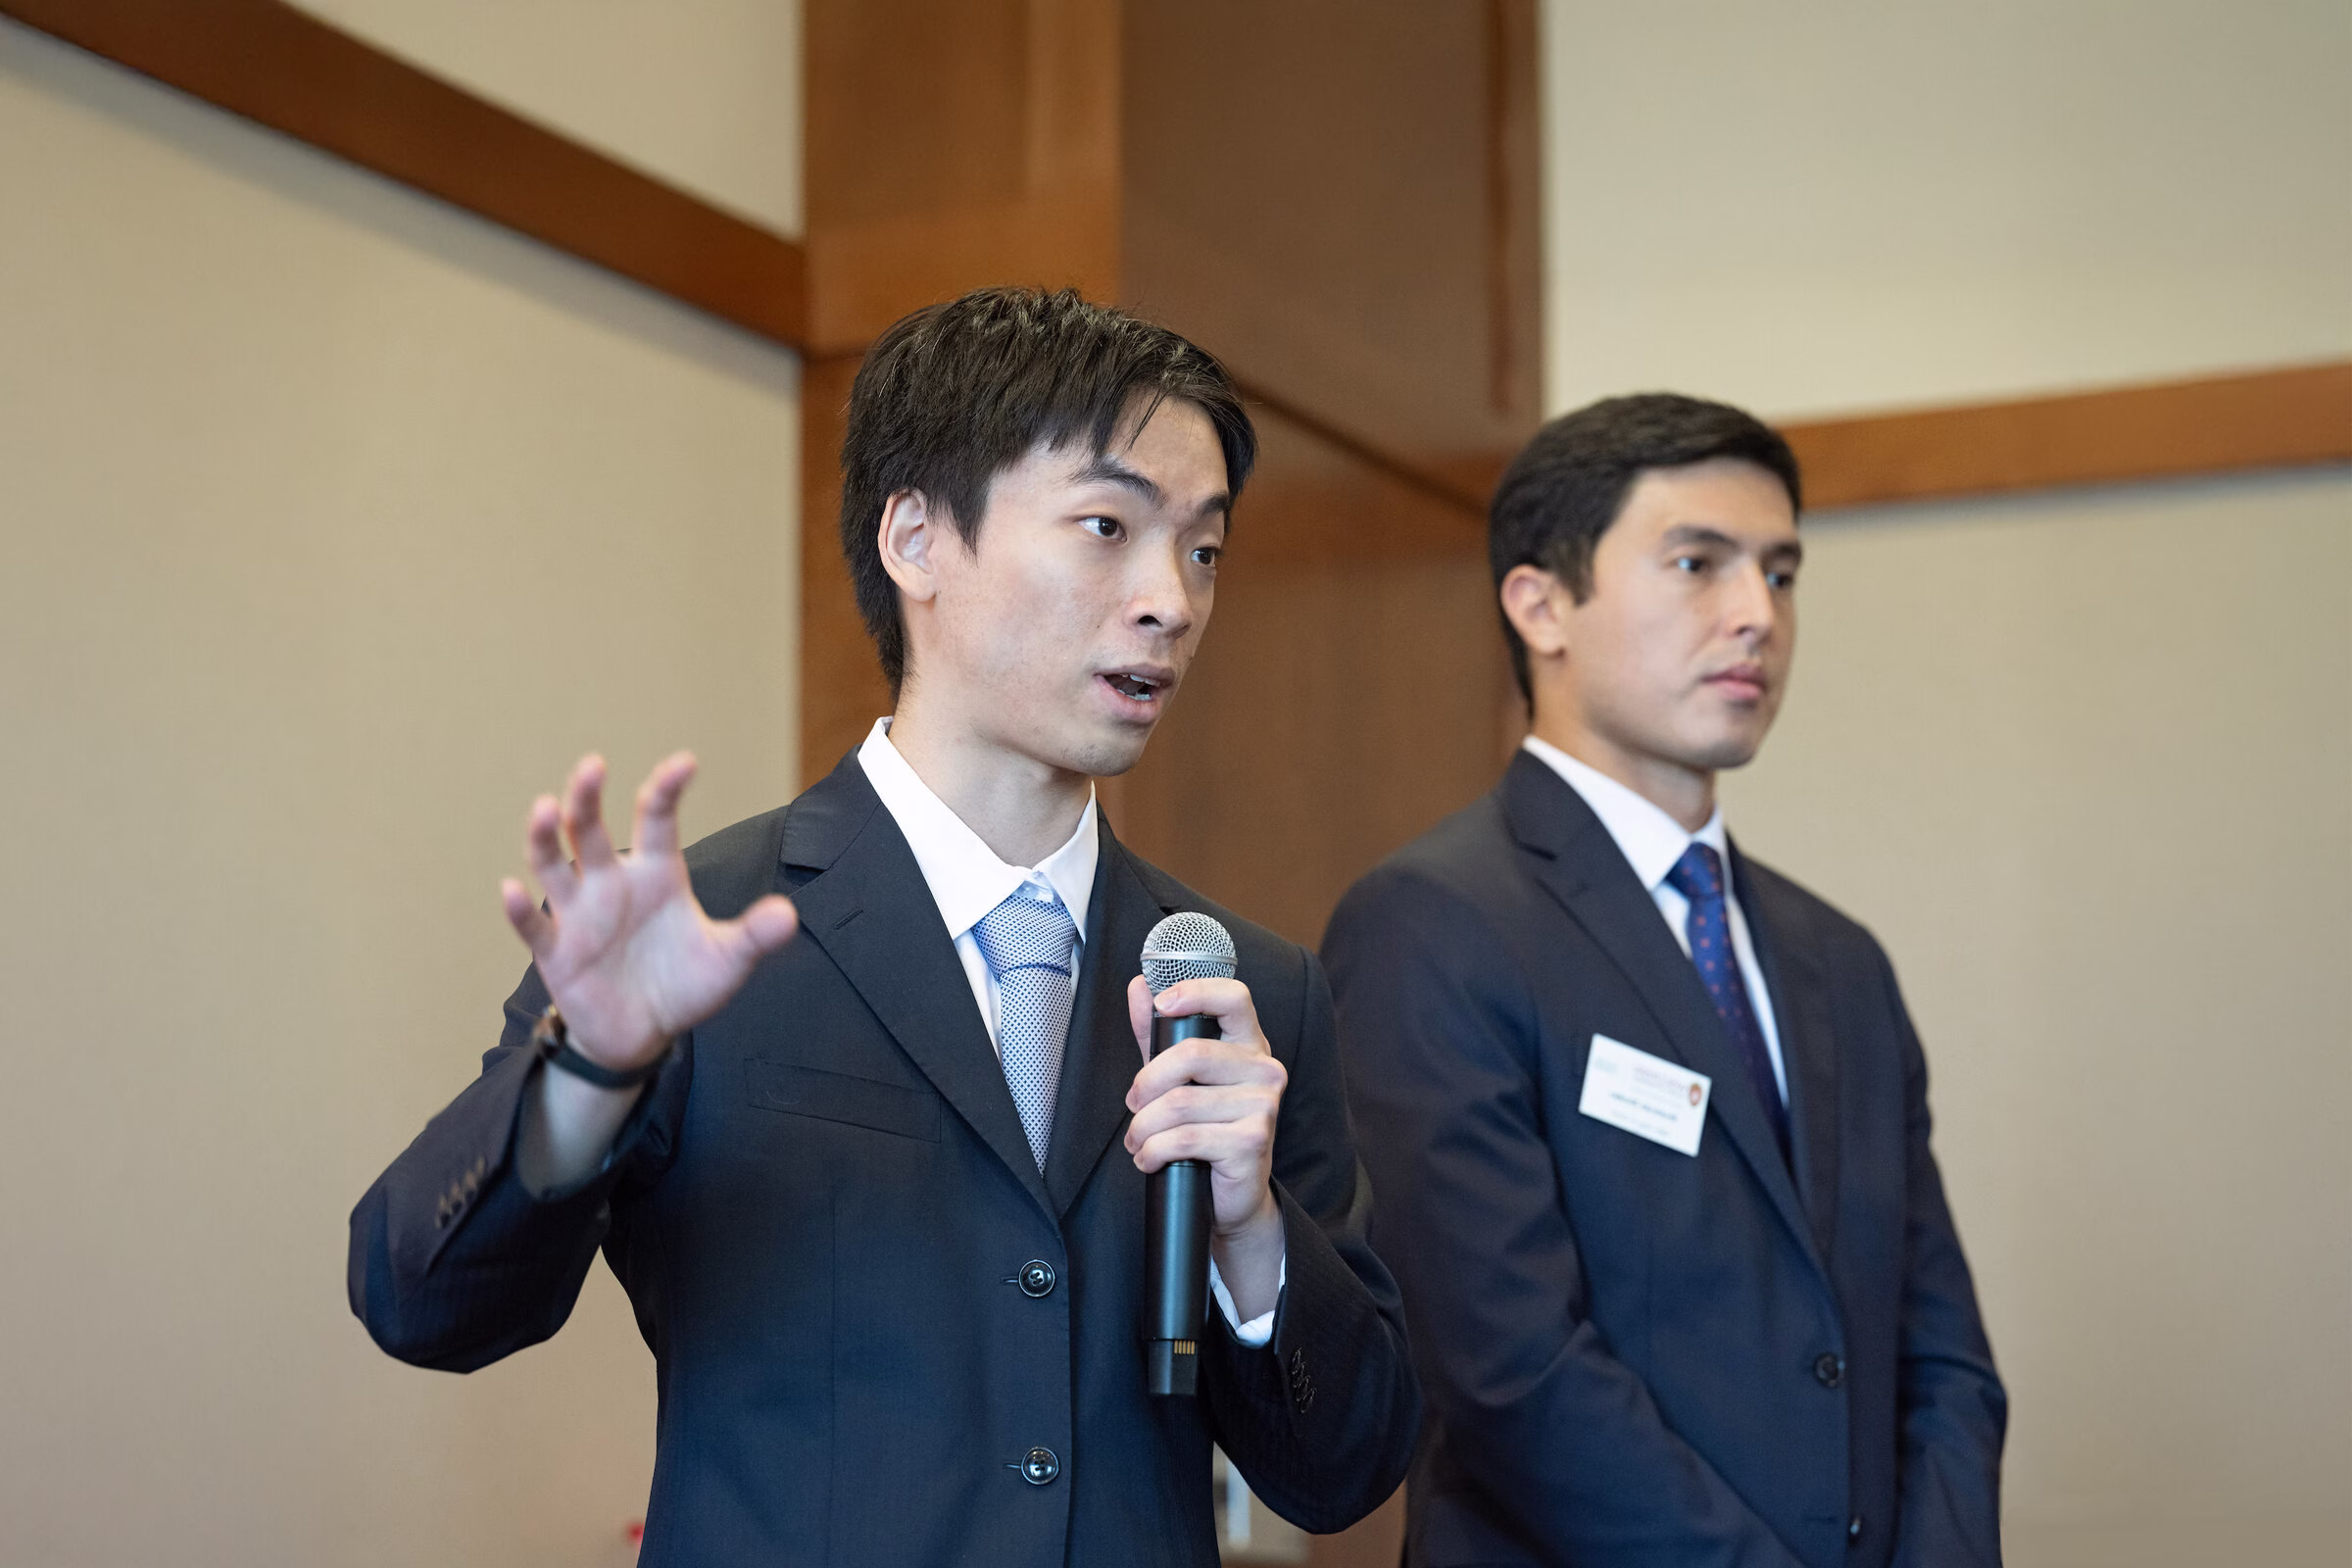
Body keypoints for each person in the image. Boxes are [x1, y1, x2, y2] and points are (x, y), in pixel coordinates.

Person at [349, 287, 1419, 1565]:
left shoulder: (1243, 992)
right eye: (1106, 525)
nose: (1170, 601)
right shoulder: (696, 936)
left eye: (1202, 549)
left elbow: (1343, 1469)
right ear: (915, 538)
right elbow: (420, 1304)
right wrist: (591, 1068)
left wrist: (1254, 1237)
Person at [1323, 394, 2004, 1566]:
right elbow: (1512, 1369)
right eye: (1699, 563)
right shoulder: (1432, 922)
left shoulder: (1841, 960)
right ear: (1541, 605)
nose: (1757, 616)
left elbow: (1940, 1355)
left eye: (1782, 574)